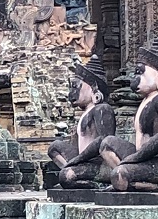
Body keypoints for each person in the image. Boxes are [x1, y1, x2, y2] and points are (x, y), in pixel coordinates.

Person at [99, 37, 158, 191]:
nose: (136, 78)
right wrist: (136, 158)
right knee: (107, 143)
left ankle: (154, 187)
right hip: (145, 159)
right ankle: (128, 182)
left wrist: (136, 157)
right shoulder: (147, 100)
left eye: (141, 72)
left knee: (119, 173)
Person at [48, 55, 116, 188]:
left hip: (98, 164)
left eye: (76, 86)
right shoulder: (85, 114)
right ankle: (72, 175)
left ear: (93, 88)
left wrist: (79, 159)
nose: (72, 92)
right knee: (54, 147)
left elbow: (105, 140)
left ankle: (94, 183)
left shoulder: (102, 109)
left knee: (66, 176)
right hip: (84, 161)